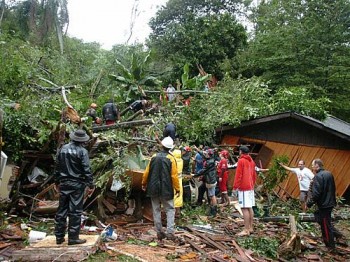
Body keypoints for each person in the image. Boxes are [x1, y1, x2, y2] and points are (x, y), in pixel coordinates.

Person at [54, 129, 94, 245]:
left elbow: (57, 166)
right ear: (82, 140)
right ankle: (73, 238)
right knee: (75, 212)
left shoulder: (63, 149)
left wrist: (57, 182)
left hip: (64, 183)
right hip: (77, 184)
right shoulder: (82, 151)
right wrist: (90, 184)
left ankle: (59, 237)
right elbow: (86, 169)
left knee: (61, 210)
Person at [142, 136, 180, 240]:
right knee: (170, 210)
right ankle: (170, 232)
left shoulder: (154, 157)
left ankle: (159, 232)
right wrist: (177, 188)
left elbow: (146, 172)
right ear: (170, 148)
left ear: (162, 145)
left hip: (153, 188)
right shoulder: (171, 159)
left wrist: (144, 183)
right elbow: (174, 176)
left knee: (156, 210)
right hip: (167, 189)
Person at [307, 159, 343, 251]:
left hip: (324, 205)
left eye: (312, 165)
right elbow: (332, 188)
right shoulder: (329, 174)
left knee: (325, 226)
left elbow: (316, 193)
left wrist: (309, 203)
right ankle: (337, 234)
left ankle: (330, 246)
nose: (312, 167)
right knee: (318, 216)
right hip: (330, 203)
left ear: (317, 166)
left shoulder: (318, 176)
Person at [233, 146, 257, 236]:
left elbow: (238, 175)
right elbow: (254, 175)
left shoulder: (241, 161)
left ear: (241, 152)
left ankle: (246, 230)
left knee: (244, 208)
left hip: (243, 187)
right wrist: (252, 184)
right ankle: (251, 227)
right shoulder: (251, 161)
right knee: (250, 207)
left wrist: (235, 187)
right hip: (250, 187)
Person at [194, 148, 218, 216]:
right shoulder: (210, 158)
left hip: (210, 180)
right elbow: (203, 154)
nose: (205, 154)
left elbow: (203, 170)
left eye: (207, 153)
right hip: (209, 179)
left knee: (212, 195)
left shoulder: (209, 162)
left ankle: (214, 211)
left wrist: (195, 175)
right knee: (203, 190)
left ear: (209, 155)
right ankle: (209, 207)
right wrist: (197, 150)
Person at [173, 149, 184, 218]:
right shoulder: (181, 161)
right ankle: (178, 213)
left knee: (172, 197)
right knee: (179, 197)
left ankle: (172, 214)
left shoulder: (173, 161)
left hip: (174, 181)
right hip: (180, 181)